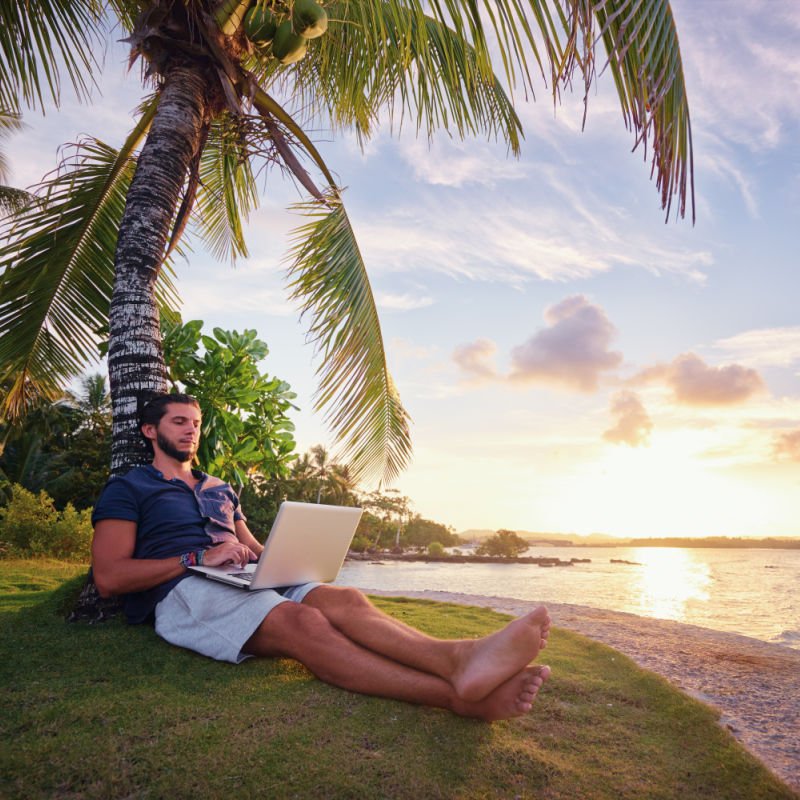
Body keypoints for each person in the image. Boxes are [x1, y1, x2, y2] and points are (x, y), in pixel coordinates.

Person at [92, 393, 552, 722]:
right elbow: (110, 577)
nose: (191, 429)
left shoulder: (219, 488)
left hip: (242, 576)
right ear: (151, 431)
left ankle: (460, 659)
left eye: (195, 422)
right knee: (303, 624)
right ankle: (457, 698)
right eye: (179, 422)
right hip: (183, 590)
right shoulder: (130, 488)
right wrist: (198, 556)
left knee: (345, 600)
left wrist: (280, 556)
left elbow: (250, 545)